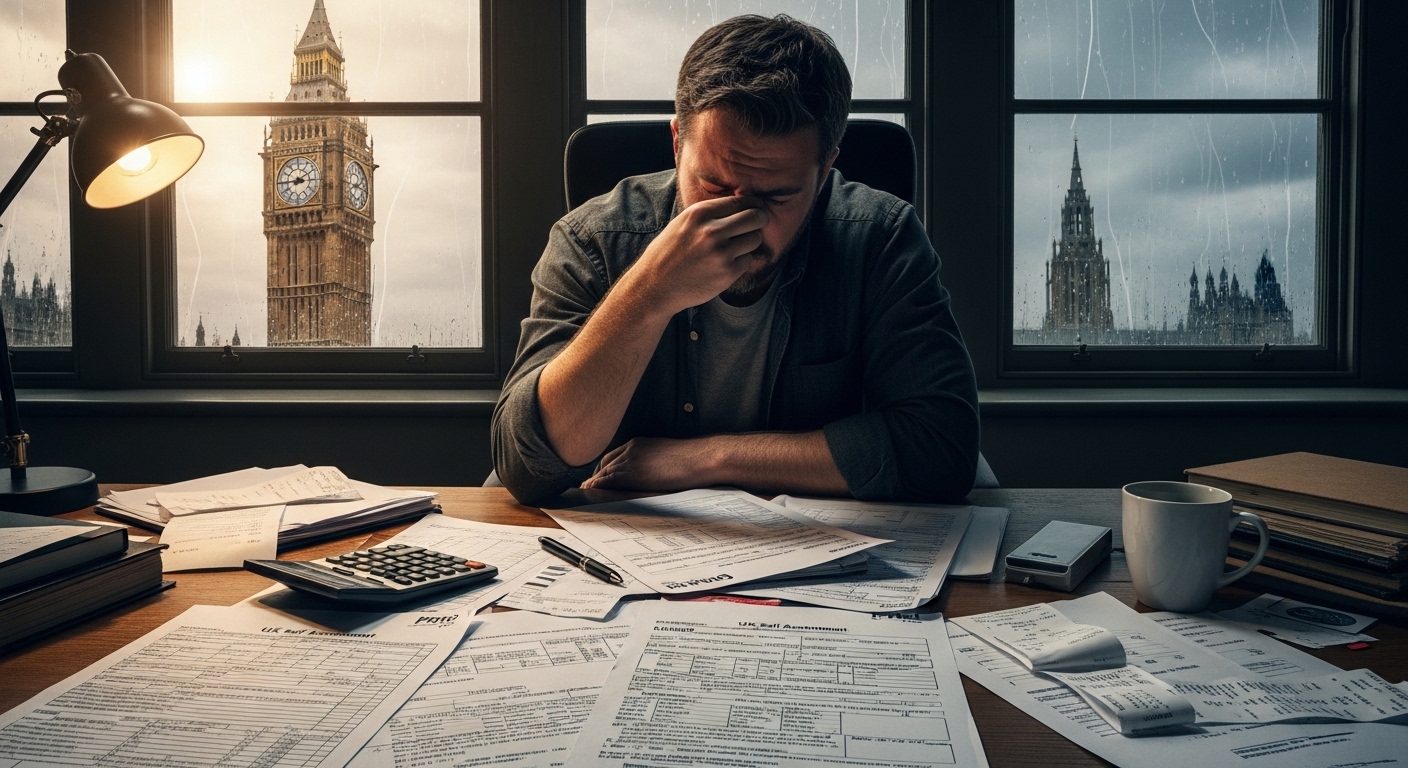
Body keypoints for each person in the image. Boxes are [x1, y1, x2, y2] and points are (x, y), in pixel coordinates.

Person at [492, 14, 979, 505]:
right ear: (677, 143)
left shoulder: (880, 239)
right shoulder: (594, 240)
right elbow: (527, 464)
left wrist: (711, 458)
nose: (741, 219)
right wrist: (650, 292)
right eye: (714, 185)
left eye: (776, 197)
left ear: (825, 167)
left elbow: (942, 446)